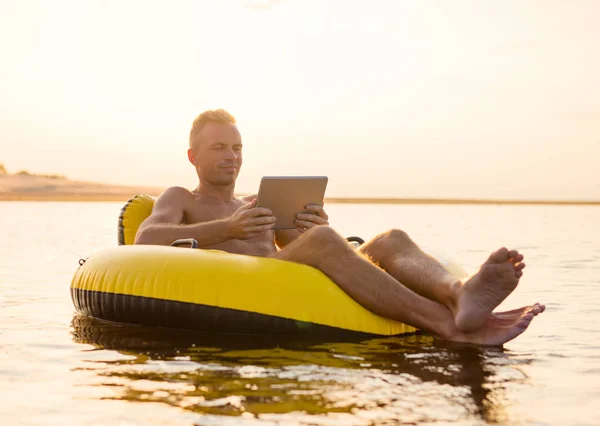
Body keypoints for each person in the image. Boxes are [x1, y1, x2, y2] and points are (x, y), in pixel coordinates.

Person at [135, 109, 545, 345]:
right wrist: (227, 228)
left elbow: (296, 247)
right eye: (219, 147)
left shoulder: (255, 204)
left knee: (391, 239)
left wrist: (307, 225)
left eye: (238, 147)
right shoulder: (181, 198)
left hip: (288, 276)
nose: (232, 156)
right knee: (325, 241)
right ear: (193, 156)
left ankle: (460, 295)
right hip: (249, 287)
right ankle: (446, 325)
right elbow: (145, 239)